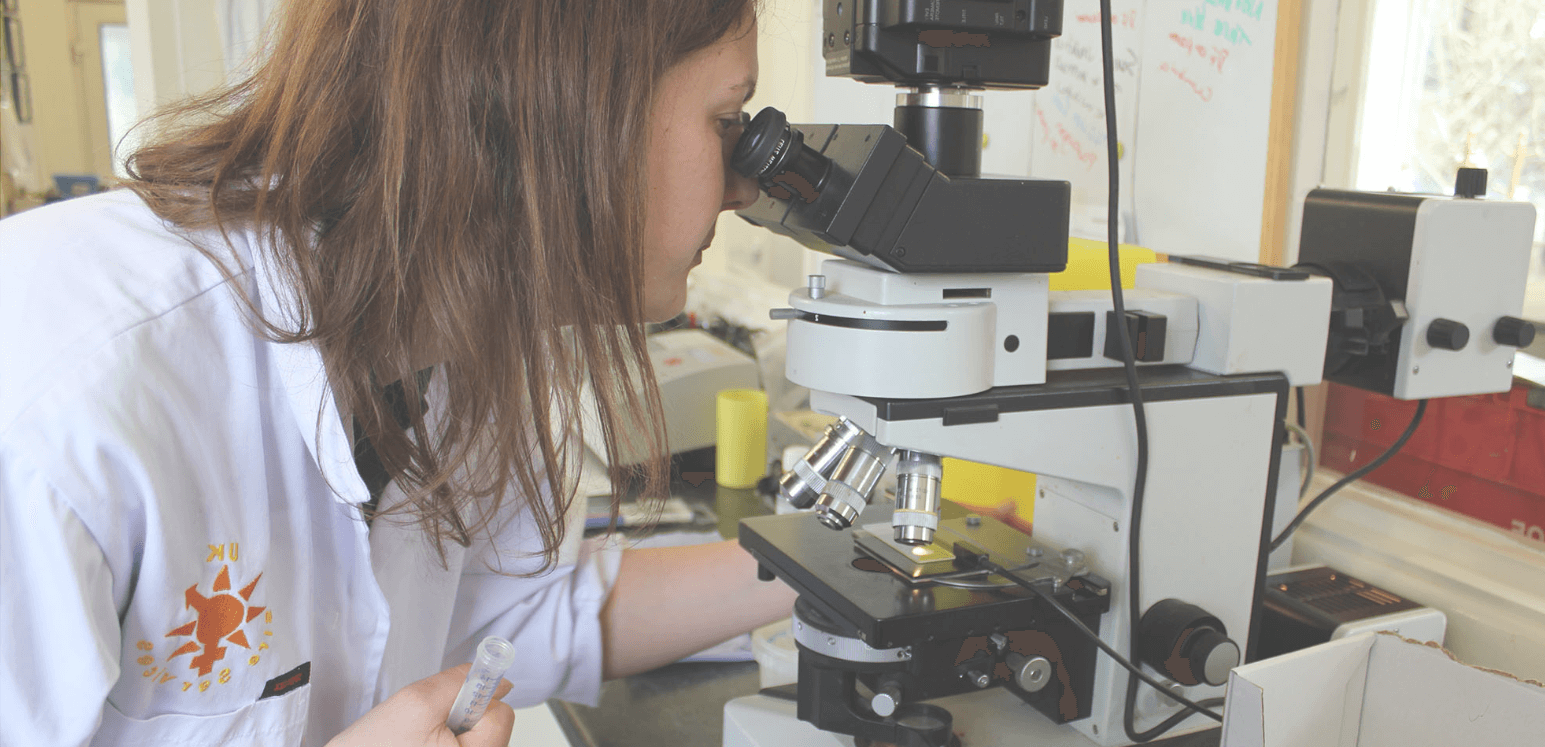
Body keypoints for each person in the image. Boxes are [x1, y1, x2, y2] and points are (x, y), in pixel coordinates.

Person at [0, 0, 797, 744]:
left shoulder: (458, 337)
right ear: (552, 111)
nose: (744, 187)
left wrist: (838, 563)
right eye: (726, 121)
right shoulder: (60, 384)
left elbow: (516, 611)